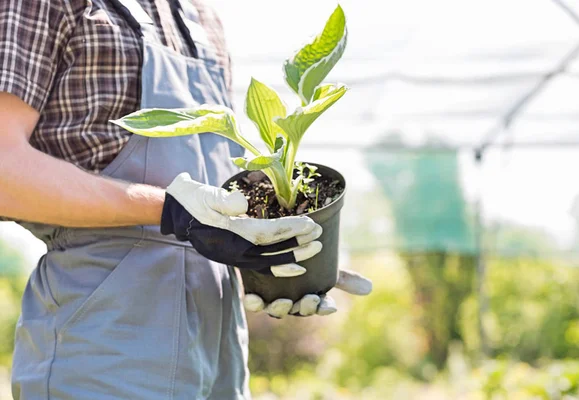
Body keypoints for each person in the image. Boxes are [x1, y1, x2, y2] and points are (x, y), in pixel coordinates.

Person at [0, 0, 371, 399]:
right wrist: (171, 211)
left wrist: (281, 261)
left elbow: (214, 205)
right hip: (104, 345)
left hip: (220, 357)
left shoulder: (202, 19)